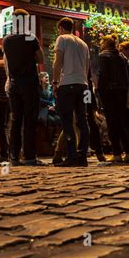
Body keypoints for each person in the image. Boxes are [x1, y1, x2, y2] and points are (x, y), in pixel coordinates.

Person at [3, 9, 44, 166]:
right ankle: (29, 157)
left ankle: (13, 156)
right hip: (29, 84)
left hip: (14, 85)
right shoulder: (30, 38)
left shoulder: (6, 40)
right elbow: (40, 59)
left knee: (15, 120)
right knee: (29, 121)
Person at [52, 17, 90, 166]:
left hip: (67, 83)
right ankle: (82, 156)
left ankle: (71, 156)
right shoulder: (84, 44)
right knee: (82, 121)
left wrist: (55, 82)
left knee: (67, 121)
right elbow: (87, 67)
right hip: (82, 85)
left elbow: (58, 62)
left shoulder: (62, 39)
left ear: (61, 27)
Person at [97, 35, 129, 163]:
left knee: (112, 124)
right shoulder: (121, 57)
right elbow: (128, 75)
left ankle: (117, 153)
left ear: (105, 44)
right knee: (124, 123)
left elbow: (103, 75)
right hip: (122, 92)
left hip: (109, 93)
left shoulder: (103, 56)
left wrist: (100, 92)